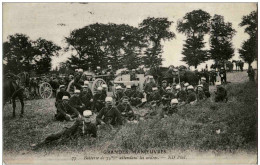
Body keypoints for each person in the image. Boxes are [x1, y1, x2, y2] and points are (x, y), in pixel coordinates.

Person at [31, 110, 97, 149]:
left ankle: (45, 145)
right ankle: (39, 144)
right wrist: (66, 135)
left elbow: (94, 136)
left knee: (59, 143)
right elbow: (72, 129)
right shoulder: (79, 121)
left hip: (74, 138)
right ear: (83, 116)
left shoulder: (93, 125)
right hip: (68, 132)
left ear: (91, 117)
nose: (87, 118)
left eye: (89, 117)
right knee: (55, 136)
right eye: (86, 117)